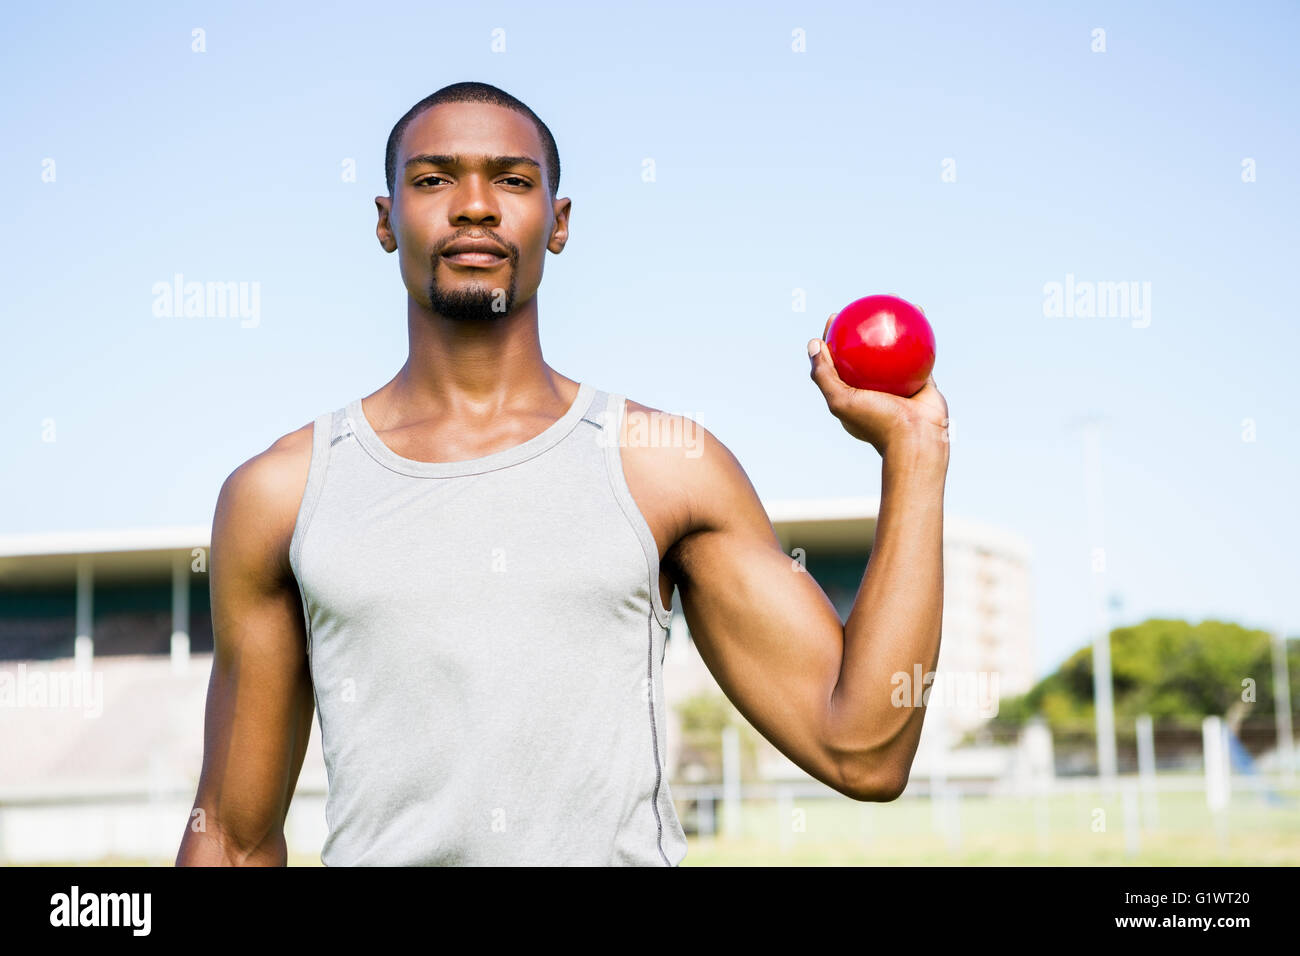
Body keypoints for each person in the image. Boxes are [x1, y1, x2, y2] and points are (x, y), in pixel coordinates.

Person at [175, 81, 951, 867]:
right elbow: (234, 840)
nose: (474, 205)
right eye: (434, 178)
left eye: (512, 181)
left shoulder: (664, 465)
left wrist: (915, 455)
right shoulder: (281, 493)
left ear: (559, 222)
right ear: (386, 221)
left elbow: (864, 751)